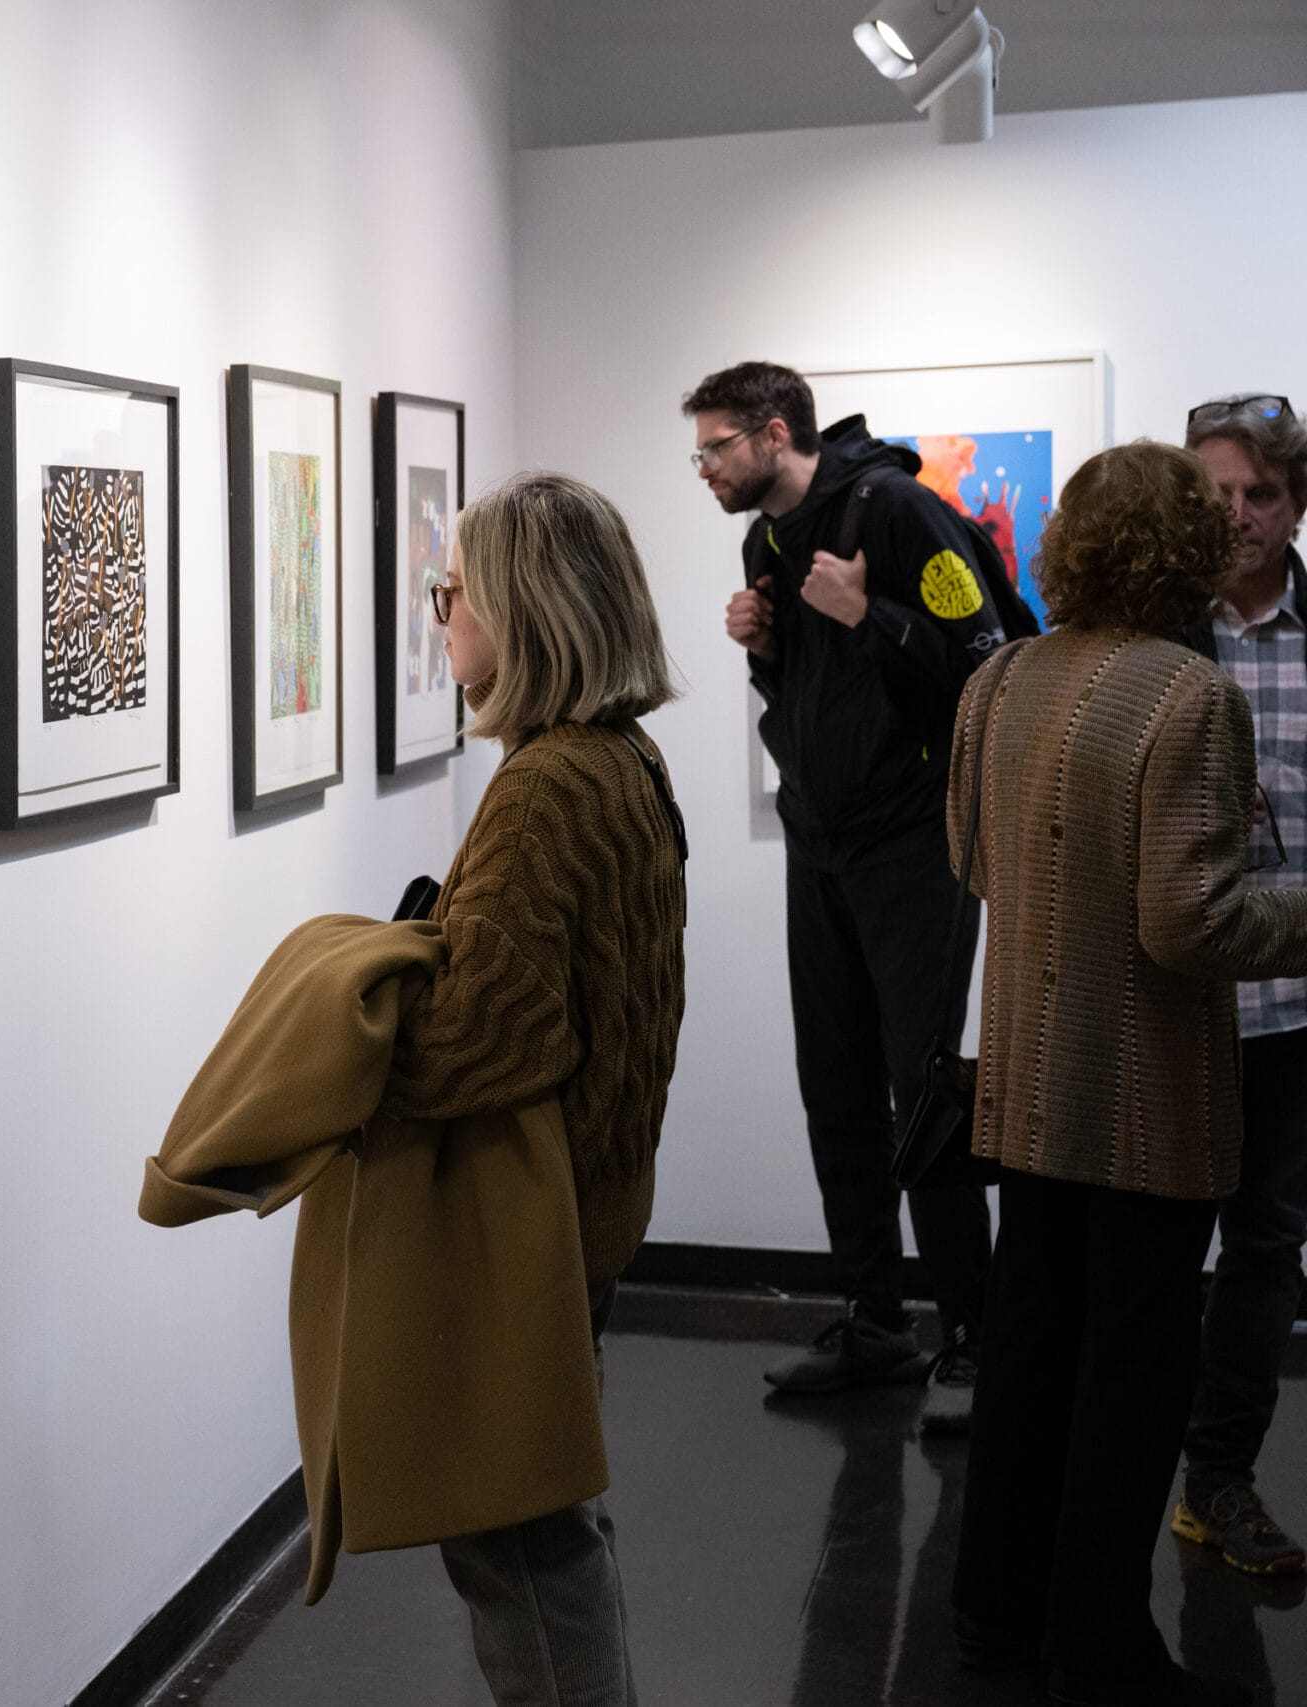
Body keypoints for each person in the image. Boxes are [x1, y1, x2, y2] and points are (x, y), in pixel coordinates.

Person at [947, 442, 1307, 1707]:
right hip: (1146, 1094)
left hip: (1030, 1076)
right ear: (1184, 550)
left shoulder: (1000, 675)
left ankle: (993, 1615)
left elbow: (973, 858)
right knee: (1134, 1370)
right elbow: (1190, 923)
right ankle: (1099, 1648)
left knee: (1029, 1348)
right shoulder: (1187, 695)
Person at [383, 471, 686, 1707]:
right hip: (592, 1197)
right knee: (551, 1512)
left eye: (452, 590)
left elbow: (479, 1042)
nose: (440, 614)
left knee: (515, 1534)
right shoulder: (621, 759)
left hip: (530, 1216)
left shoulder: (546, 787)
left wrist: (361, 1012)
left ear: (524, 609)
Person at [687, 361, 1002, 1430]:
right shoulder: (765, 543)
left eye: (715, 447)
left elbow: (989, 662)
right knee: (833, 1083)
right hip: (818, 843)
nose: (704, 467)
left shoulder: (898, 509)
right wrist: (767, 649)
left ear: (775, 433)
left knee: (924, 1092)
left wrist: (870, 613)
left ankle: (976, 1341)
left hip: (916, 844)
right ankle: (876, 1321)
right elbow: (812, 695)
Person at [1175, 394, 1307, 1577]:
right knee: (1152, 1256)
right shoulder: (1155, 637)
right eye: (1216, 493)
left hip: (1291, 1009)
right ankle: (1123, 1481)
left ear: (1295, 504)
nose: (1238, 515)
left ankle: (1217, 1478)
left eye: (1259, 493)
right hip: (1169, 1005)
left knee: (1264, 1251)